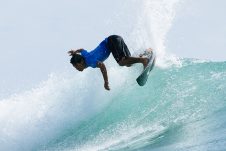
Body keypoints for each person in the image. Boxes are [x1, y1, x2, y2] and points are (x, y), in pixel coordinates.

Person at [68, 35, 149, 91]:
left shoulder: (90, 61)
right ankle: (146, 53)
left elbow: (102, 66)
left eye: (76, 66)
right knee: (128, 63)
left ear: (80, 62)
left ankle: (144, 60)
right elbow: (82, 50)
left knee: (121, 62)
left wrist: (106, 82)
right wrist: (75, 51)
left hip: (111, 42)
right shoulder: (85, 56)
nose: (77, 69)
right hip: (115, 39)